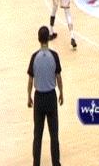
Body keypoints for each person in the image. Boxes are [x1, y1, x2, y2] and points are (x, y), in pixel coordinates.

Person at [27, 26, 63, 166]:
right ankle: (56, 163)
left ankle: (36, 164)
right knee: (54, 135)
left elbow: (30, 80)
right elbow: (58, 77)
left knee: (37, 135)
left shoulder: (34, 57)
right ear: (48, 38)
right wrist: (61, 92)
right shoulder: (54, 56)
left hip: (39, 98)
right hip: (51, 97)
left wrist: (29, 96)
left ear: (38, 39)